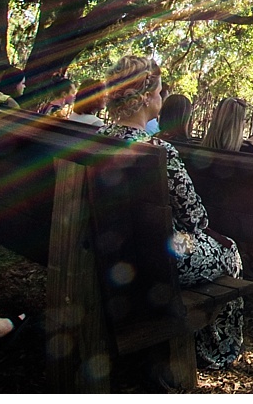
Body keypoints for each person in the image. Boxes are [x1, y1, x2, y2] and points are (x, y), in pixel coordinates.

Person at [98, 56, 243, 368]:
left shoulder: (97, 140)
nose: (162, 98)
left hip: (107, 249)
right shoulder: (158, 151)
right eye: (160, 92)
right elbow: (195, 218)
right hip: (160, 257)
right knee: (230, 252)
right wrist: (215, 235)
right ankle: (214, 349)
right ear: (146, 97)